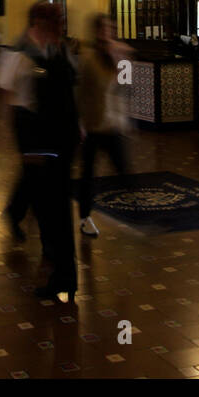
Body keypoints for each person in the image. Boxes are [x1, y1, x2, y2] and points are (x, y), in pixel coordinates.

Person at [0, 2, 80, 303]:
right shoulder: (54, 54)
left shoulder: (50, 55)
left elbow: (50, 103)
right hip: (56, 142)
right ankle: (63, 276)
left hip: (48, 142)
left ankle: (60, 274)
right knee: (54, 211)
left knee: (52, 212)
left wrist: (33, 147)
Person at [76, 13, 133, 237]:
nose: (108, 33)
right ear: (97, 31)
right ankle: (84, 217)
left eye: (111, 29)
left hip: (113, 124)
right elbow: (81, 93)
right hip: (93, 125)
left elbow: (126, 84)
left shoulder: (116, 55)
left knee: (123, 168)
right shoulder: (88, 58)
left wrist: (118, 55)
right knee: (88, 173)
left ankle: (136, 210)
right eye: (105, 29)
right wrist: (79, 122)